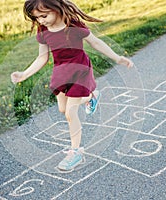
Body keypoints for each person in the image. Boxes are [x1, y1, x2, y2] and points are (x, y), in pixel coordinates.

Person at [11, 0, 133, 171]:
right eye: (37, 17)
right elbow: (42, 58)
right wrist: (24, 74)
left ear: (56, 8)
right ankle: (92, 96)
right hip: (61, 72)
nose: (41, 21)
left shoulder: (73, 24)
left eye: (44, 15)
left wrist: (117, 58)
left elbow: (95, 42)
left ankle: (75, 151)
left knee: (70, 113)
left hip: (79, 70)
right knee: (62, 108)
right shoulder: (43, 30)